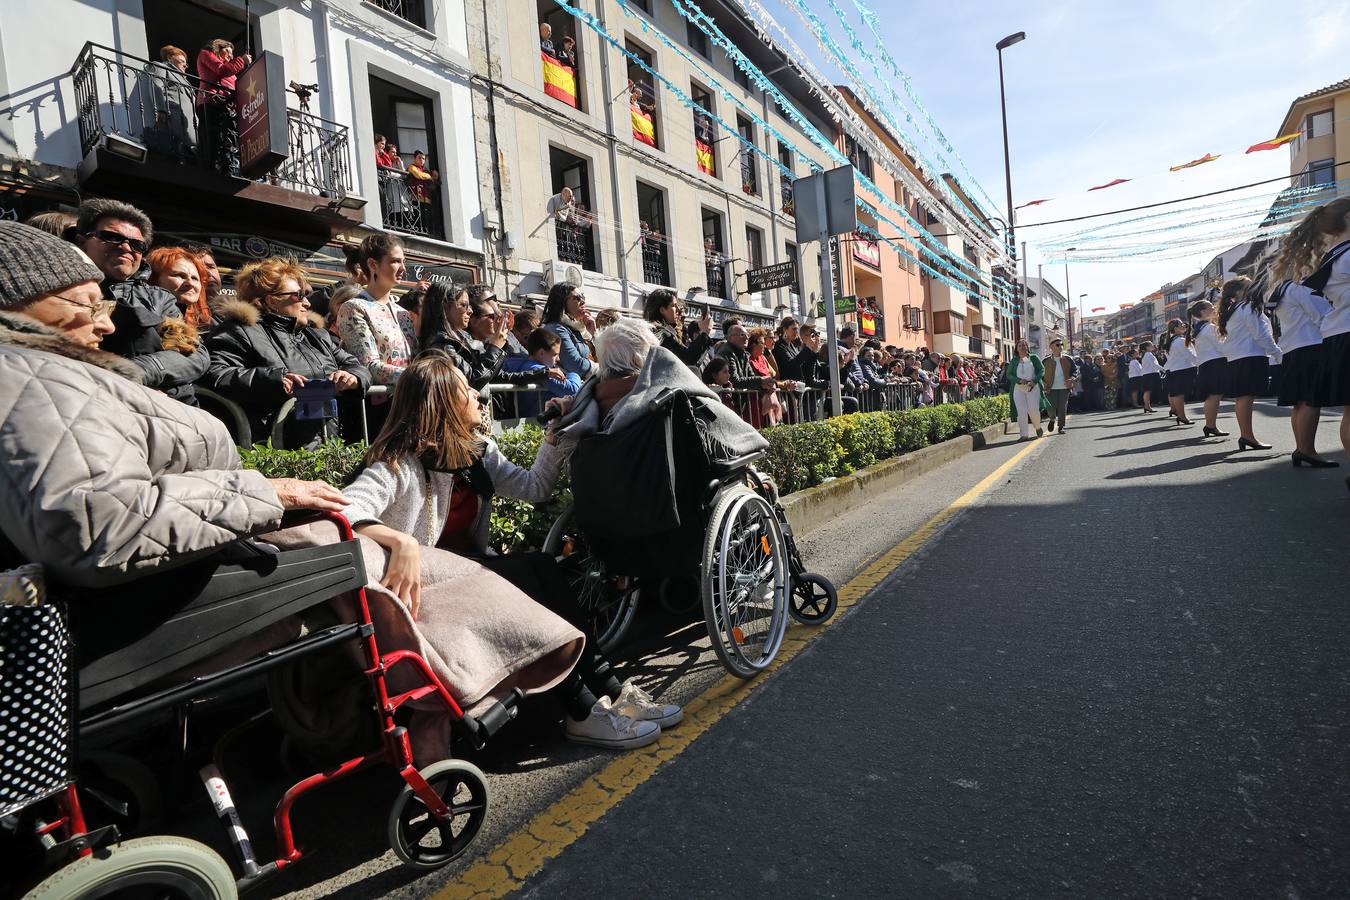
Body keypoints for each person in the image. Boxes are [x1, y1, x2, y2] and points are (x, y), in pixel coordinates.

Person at [340, 352, 676, 750]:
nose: (479, 398)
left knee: (540, 568)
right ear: (445, 402)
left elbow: (534, 488)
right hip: (425, 595)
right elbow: (344, 511)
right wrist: (401, 541)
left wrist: (553, 436)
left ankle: (613, 692)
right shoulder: (398, 462)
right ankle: (583, 711)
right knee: (531, 570)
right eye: (467, 391)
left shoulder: (476, 453)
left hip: (467, 576)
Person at [0, 219, 345, 586]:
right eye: (87, 305)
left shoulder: (52, 371)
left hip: (211, 541)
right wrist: (261, 492)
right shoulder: (30, 379)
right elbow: (98, 526)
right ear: (18, 302)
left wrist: (131, 375)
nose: (107, 326)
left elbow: (191, 354)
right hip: (181, 580)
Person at [202, 257, 369, 448]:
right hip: (275, 453)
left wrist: (352, 376)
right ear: (272, 301)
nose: (307, 303)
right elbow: (215, 373)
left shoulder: (316, 336)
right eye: (299, 295)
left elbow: (354, 365)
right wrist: (273, 379)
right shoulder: (239, 331)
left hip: (328, 448)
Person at [71, 198, 208, 404]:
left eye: (136, 244)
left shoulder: (158, 297)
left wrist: (141, 371)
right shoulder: (59, 289)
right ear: (82, 241)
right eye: (111, 237)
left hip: (172, 406)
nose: (126, 247)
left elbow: (195, 355)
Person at [1276, 199, 1350, 482]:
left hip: (1333, 335)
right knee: (1308, 400)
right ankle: (1305, 448)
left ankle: (1304, 449)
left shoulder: (1330, 257)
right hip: (1321, 338)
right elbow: (1318, 312)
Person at [337, 234, 416, 388]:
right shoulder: (354, 308)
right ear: (373, 264)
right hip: (381, 406)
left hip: (411, 399)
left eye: (403, 262)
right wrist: (420, 377)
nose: (403, 268)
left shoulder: (403, 313)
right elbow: (368, 367)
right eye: (395, 261)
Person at [1218, 276, 1279, 450]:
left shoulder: (1234, 308)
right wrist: (1277, 353)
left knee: (1244, 398)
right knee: (1246, 397)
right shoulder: (1246, 307)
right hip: (1249, 356)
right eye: (1249, 286)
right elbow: (1260, 334)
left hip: (1240, 357)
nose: (1254, 288)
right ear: (1239, 292)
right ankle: (1247, 436)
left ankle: (1247, 436)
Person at [195, 39, 250, 176]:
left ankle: (229, 168)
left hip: (227, 108)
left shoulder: (231, 73)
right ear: (217, 48)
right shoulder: (206, 54)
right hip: (212, 102)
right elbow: (221, 70)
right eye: (228, 51)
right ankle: (213, 170)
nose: (231, 56)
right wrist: (242, 61)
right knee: (214, 139)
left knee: (228, 141)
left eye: (232, 54)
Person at [501, 327, 582, 417]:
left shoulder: (530, 367)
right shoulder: (536, 369)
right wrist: (573, 374)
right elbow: (572, 390)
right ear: (541, 353)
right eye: (555, 354)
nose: (558, 359)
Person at [136, 45, 198, 162]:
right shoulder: (162, 67)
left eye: (186, 63)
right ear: (169, 58)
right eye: (181, 61)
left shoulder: (185, 80)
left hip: (191, 122)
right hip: (175, 115)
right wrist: (161, 109)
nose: (185, 65)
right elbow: (156, 85)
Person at [643, 288, 712, 368]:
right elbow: (689, 359)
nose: (677, 309)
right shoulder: (661, 333)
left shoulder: (656, 330)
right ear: (662, 310)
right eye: (673, 305)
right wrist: (705, 333)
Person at [1190, 300, 1230, 438]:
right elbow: (1221, 346)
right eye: (1211, 307)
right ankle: (1211, 426)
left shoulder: (1200, 328)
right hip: (1215, 363)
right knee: (1214, 396)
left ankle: (1210, 425)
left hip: (1207, 364)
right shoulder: (1209, 327)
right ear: (1203, 312)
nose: (1214, 309)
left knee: (1212, 397)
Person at [542, 281, 597, 379]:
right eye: (576, 298)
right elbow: (576, 366)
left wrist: (593, 332)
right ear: (561, 303)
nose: (583, 302)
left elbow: (600, 357)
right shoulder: (555, 329)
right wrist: (601, 368)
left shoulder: (576, 329)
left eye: (583, 297)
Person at [146, 245, 211, 328]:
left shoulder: (205, 326)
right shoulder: (146, 323)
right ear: (153, 279)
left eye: (195, 278)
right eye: (180, 275)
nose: (190, 283)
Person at [1161, 319, 1197, 426]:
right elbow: (1190, 355)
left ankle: (1180, 415)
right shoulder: (1180, 340)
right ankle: (1182, 416)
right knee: (1180, 395)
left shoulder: (1171, 341)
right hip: (1182, 369)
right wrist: (1199, 363)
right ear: (1176, 328)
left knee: (1178, 394)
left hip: (1175, 370)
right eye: (1182, 325)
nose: (1184, 326)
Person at [1006, 339, 1045, 439]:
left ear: (1027, 347)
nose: (1022, 347)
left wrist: (1034, 381)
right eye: (1019, 346)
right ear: (1016, 349)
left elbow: (1041, 370)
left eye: (1024, 345)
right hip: (1018, 389)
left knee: (1033, 410)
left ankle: (1037, 427)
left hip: (1032, 387)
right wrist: (1018, 380)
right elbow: (1009, 374)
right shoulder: (1014, 361)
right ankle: (1024, 435)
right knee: (1021, 411)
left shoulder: (1034, 358)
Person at [1041, 338, 1075, 432]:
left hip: (1064, 387)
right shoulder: (1045, 361)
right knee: (1050, 407)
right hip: (1050, 388)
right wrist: (1043, 383)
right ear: (1051, 347)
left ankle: (1061, 426)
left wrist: (1072, 378)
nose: (1060, 346)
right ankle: (1052, 419)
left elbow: (1075, 370)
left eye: (1061, 345)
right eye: (1057, 345)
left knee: (1062, 407)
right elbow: (1040, 373)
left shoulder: (1068, 359)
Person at [1137, 339, 1162, 415]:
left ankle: (1147, 406)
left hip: (1148, 374)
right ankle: (1147, 406)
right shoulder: (1148, 354)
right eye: (1151, 345)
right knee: (1148, 391)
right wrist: (1163, 369)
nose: (1153, 345)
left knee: (1147, 391)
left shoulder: (1147, 354)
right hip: (1150, 374)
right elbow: (1154, 365)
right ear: (1147, 347)